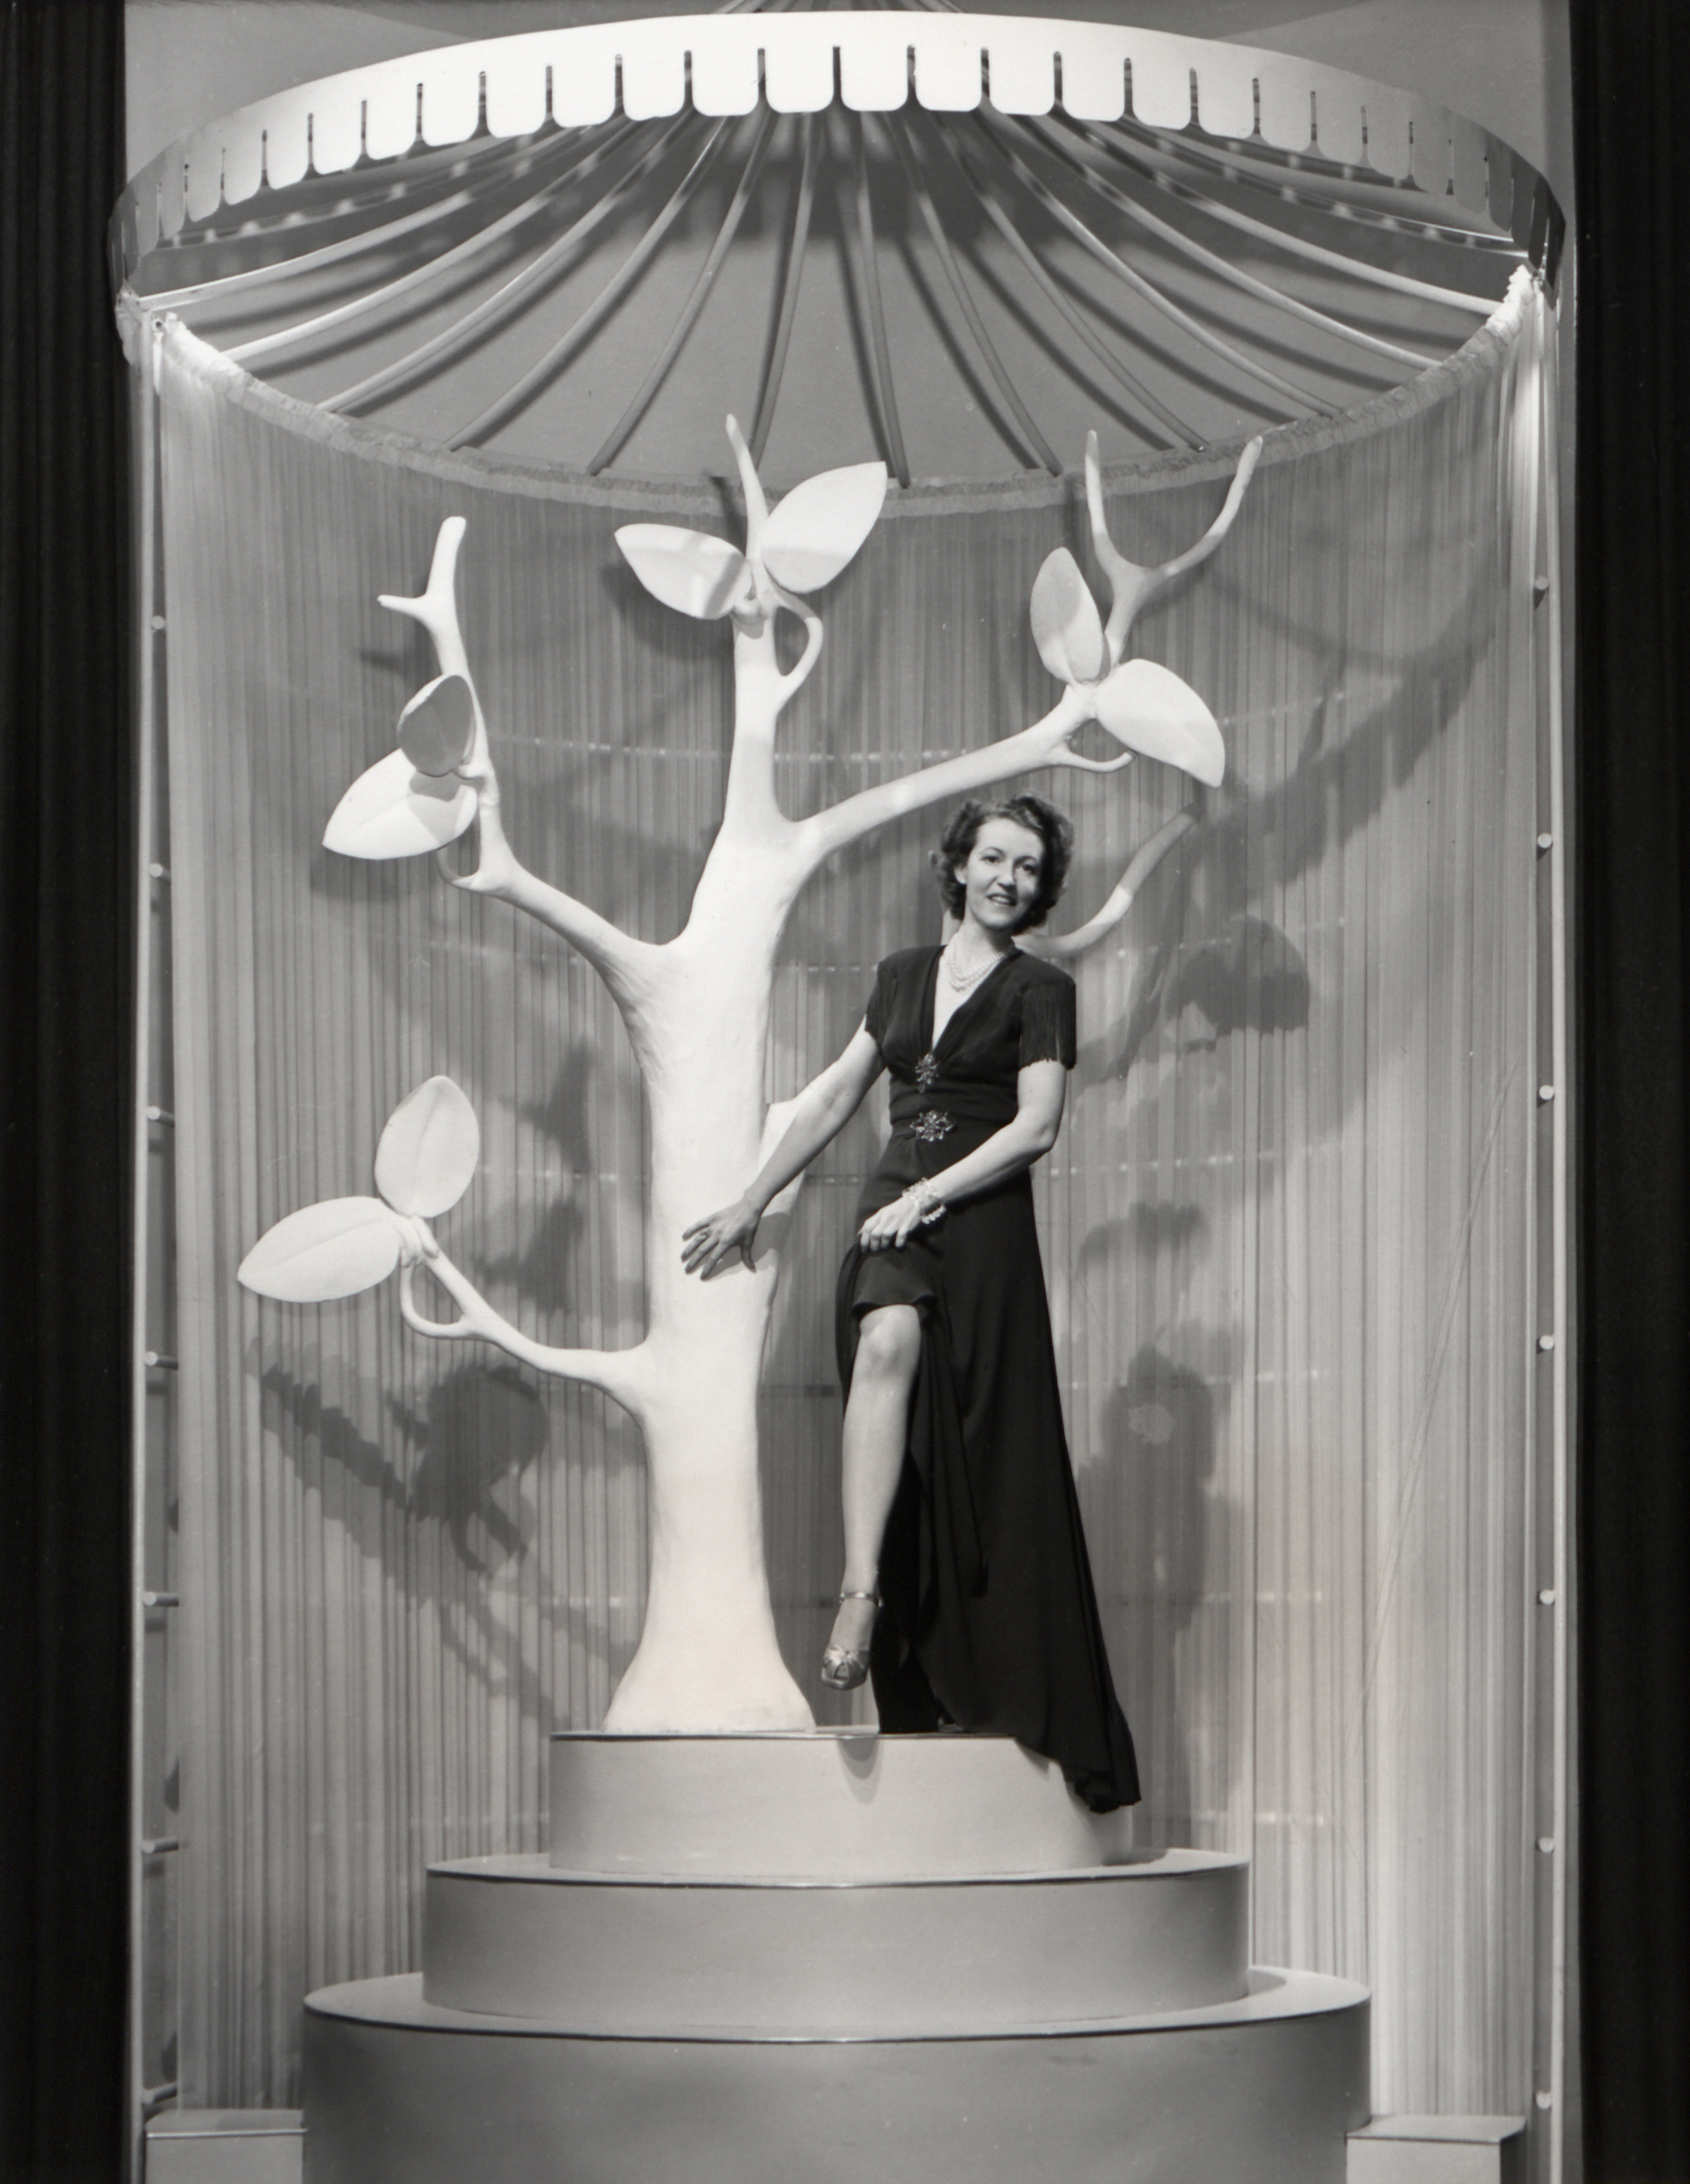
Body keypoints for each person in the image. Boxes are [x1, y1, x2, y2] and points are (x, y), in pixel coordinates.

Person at [682, 795, 1139, 1812]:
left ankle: (984, 1684)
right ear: (959, 865)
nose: (1008, 880)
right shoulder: (899, 976)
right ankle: (861, 1593)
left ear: (1040, 887)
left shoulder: (1043, 989)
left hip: (978, 1230)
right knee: (885, 1342)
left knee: (984, 1462)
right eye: (992, 859)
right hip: (893, 1209)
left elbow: (1036, 1130)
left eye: (1027, 868)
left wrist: (933, 1196)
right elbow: (835, 1097)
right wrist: (752, 1200)